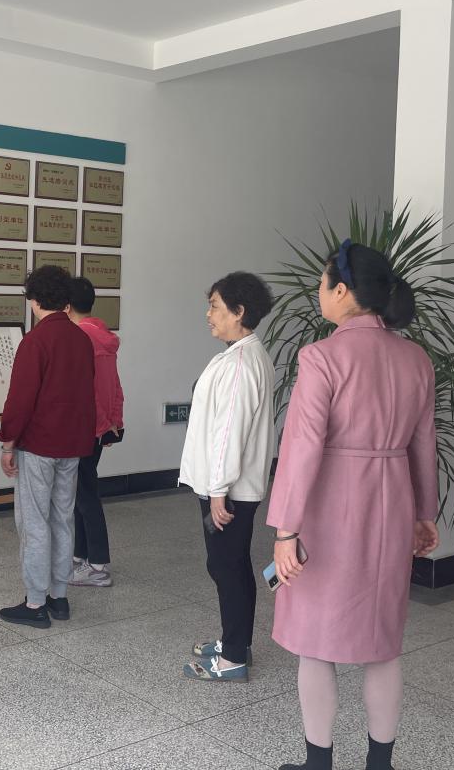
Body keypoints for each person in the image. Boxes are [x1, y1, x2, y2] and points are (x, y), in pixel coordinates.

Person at [269, 240, 439, 770]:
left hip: (329, 509)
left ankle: (318, 762)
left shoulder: (322, 357)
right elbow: (424, 444)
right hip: (392, 504)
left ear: (342, 291)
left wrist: (285, 530)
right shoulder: (415, 359)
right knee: (382, 645)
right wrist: (424, 513)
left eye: (323, 283)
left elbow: (301, 449)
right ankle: (379, 764)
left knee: (315, 642)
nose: (319, 291)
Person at [178, 272, 275, 683]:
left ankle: (233, 657)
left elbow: (228, 432)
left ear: (239, 312)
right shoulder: (242, 355)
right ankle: (236, 642)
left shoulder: (239, 364)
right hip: (230, 485)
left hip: (229, 489)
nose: (208, 314)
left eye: (216, 307)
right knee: (230, 564)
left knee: (226, 566)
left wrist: (218, 491)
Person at [0, 265, 96, 628]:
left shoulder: (35, 341)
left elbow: (20, 400)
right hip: (72, 444)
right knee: (62, 519)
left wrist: (8, 443)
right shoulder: (81, 339)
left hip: (38, 444)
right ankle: (59, 597)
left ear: (34, 300)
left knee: (35, 522)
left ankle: (36, 602)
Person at [65, 276, 124, 588]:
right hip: (98, 427)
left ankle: (98, 565)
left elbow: (86, 389)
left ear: (66, 306)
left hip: (82, 426)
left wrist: (101, 422)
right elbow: (113, 384)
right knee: (81, 492)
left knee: (85, 495)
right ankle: (80, 557)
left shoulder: (78, 337)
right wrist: (114, 422)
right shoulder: (103, 335)